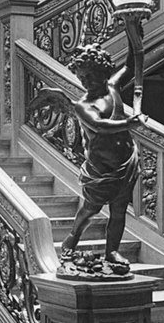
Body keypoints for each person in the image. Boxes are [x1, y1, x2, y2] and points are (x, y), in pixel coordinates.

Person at [33, 34, 143, 276]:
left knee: (119, 211)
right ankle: (71, 240)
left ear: (104, 72)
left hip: (125, 163)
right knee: (90, 210)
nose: (86, 82)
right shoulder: (83, 105)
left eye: (90, 76)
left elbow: (131, 66)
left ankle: (112, 251)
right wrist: (130, 123)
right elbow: (101, 126)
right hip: (101, 169)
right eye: (82, 78)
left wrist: (133, 33)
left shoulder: (112, 88)